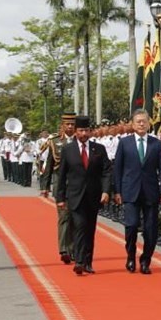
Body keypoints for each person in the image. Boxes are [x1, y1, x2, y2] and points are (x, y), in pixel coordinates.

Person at [114, 109, 161, 275]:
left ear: (149, 123)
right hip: (130, 191)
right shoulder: (125, 143)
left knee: (151, 230)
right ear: (132, 124)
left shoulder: (156, 143)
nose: (141, 124)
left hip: (151, 192)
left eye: (144, 121)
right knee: (131, 226)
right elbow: (118, 168)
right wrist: (117, 191)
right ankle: (130, 255)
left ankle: (145, 260)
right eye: (138, 121)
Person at [56, 116, 111, 276]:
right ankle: (79, 261)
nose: (84, 133)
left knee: (89, 229)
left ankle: (87, 262)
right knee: (79, 226)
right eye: (81, 130)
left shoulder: (99, 149)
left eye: (86, 130)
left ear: (90, 131)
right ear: (76, 132)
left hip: (93, 196)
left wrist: (106, 191)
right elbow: (62, 175)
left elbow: (106, 171)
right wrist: (60, 198)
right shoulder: (68, 149)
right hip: (75, 196)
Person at [41, 112, 77, 264]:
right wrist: (45, 186)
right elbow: (49, 165)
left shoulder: (81, 140)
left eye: (72, 124)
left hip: (77, 185)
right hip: (60, 185)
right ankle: (64, 249)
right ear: (62, 125)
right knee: (64, 217)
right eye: (67, 124)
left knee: (76, 219)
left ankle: (74, 250)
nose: (70, 127)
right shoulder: (54, 142)